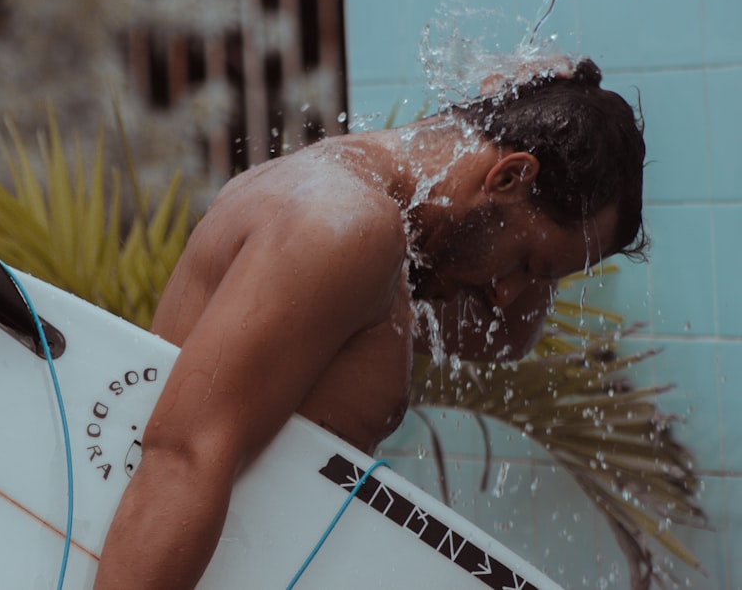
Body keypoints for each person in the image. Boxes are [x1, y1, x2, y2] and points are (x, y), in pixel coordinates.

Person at [92, 58, 647, 589]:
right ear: (510, 176)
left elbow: (501, 338)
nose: (508, 293)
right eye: (526, 265)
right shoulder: (343, 227)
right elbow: (181, 456)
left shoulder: (393, 240)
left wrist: (548, 115)